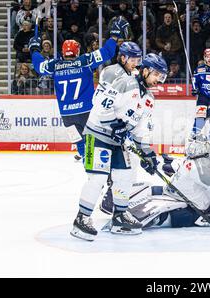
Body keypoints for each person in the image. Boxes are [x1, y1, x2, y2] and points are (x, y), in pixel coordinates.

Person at [70, 53, 168, 241]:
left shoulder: (148, 98)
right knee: (98, 178)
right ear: (145, 70)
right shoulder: (125, 83)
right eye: (157, 75)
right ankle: (81, 219)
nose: (158, 80)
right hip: (97, 134)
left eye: (161, 77)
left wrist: (149, 155)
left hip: (117, 140)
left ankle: (120, 216)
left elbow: (141, 129)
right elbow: (100, 106)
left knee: (126, 174)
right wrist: (115, 124)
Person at [28, 18, 126, 162]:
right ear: (77, 51)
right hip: (86, 111)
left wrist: (34, 49)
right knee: (96, 142)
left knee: (79, 142)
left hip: (66, 114)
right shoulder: (84, 61)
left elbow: (38, 65)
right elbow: (107, 52)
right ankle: (101, 169)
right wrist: (114, 37)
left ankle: (87, 162)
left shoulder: (54, 65)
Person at [101, 133, 210, 231]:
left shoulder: (203, 168)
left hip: (190, 206)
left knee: (162, 211)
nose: (191, 148)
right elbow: (175, 166)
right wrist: (156, 164)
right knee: (147, 187)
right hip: (173, 194)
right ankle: (117, 203)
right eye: (190, 144)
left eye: (194, 145)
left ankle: (134, 219)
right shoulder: (194, 160)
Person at [94, 41, 143, 221]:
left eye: (138, 59)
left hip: (120, 126)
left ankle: (115, 202)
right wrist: (115, 123)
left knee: (128, 166)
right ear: (122, 57)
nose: (136, 62)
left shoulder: (133, 73)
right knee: (120, 167)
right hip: (108, 125)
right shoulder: (111, 72)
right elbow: (103, 102)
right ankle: (111, 200)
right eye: (133, 59)